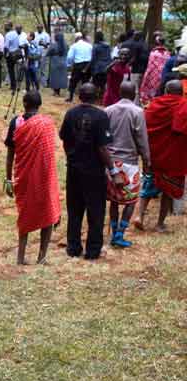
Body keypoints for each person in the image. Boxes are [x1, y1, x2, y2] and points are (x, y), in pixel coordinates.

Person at [59, 83, 120, 259]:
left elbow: (65, 140)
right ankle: (93, 251)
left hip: (74, 169)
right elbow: (102, 147)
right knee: (96, 211)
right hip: (94, 171)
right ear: (96, 96)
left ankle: (73, 247)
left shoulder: (71, 114)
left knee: (74, 209)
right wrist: (113, 171)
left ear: (79, 96)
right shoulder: (101, 116)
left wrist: (71, 156)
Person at [4, 91, 60, 265]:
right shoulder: (47, 124)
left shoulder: (16, 122)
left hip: (23, 176)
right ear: (40, 104)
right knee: (47, 212)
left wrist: (8, 178)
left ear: (24, 103)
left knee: (25, 213)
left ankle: (21, 256)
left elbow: (10, 153)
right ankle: (42, 257)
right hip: (44, 176)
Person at [137, 79, 187, 232]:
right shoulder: (183, 105)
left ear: (166, 91)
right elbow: (180, 129)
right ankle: (159, 224)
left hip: (154, 154)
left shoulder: (155, 104)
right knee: (167, 192)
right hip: (173, 157)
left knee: (148, 184)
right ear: (182, 92)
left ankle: (139, 216)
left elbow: (146, 125)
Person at [104, 81, 150, 247]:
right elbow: (142, 139)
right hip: (129, 163)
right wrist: (147, 160)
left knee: (114, 200)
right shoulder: (138, 112)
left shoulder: (108, 110)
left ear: (119, 92)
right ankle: (119, 234)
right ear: (135, 93)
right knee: (130, 201)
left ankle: (114, 230)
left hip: (111, 162)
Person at [139, 33, 170, 105]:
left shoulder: (153, 53)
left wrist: (145, 78)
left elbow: (150, 67)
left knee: (150, 96)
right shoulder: (167, 53)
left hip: (152, 77)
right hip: (163, 76)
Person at [66, 33, 93, 103]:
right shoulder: (89, 46)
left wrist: (70, 64)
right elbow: (92, 56)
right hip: (88, 66)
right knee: (85, 82)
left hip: (78, 65)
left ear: (76, 38)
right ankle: (85, 99)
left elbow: (69, 57)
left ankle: (70, 97)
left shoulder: (74, 46)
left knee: (73, 82)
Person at [90, 31, 112, 99]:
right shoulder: (108, 46)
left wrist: (91, 68)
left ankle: (94, 98)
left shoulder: (96, 46)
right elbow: (109, 57)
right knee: (103, 84)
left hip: (98, 68)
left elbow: (93, 58)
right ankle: (102, 98)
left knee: (95, 84)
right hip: (106, 68)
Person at [4, 23, 21, 91]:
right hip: (16, 54)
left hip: (10, 54)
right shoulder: (16, 34)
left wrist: (5, 55)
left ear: (10, 26)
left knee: (11, 70)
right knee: (14, 70)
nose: (5, 27)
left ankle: (13, 86)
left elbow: (6, 47)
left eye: (6, 26)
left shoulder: (8, 34)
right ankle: (15, 85)